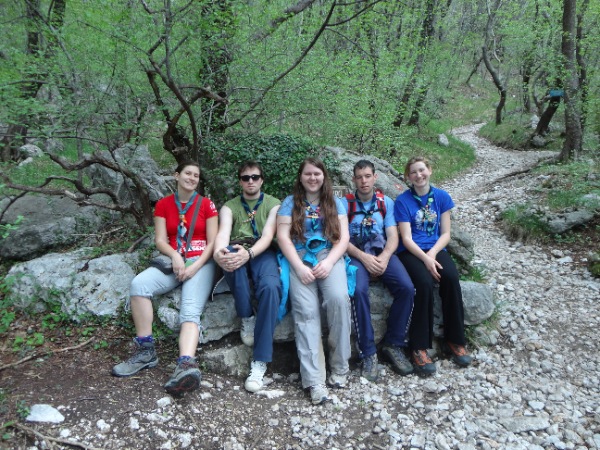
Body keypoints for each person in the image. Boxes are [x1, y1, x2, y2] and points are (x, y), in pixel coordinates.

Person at [112, 161, 219, 396]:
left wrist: (194, 267)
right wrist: (175, 256)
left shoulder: (206, 205)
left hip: (201, 262)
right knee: (139, 285)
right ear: (176, 175)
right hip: (173, 262)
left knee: (189, 310)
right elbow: (160, 240)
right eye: (188, 173)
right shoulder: (163, 205)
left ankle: (186, 364)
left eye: (196, 175)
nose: (192, 178)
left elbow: (213, 242)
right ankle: (145, 351)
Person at [277, 157, 351, 405]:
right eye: (308, 174)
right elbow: (283, 238)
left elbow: (343, 238)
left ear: (323, 176)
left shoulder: (335, 202)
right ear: (301, 177)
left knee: (338, 299)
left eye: (317, 174)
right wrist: (299, 268)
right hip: (299, 256)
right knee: (306, 311)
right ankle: (315, 380)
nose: (312, 178)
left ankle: (340, 367)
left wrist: (329, 262)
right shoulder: (290, 203)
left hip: (328, 254)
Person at [394, 156, 472, 375]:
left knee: (451, 278)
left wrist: (433, 254)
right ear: (408, 177)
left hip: (435, 248)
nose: (418, 175)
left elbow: (445, 233)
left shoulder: (442, 197)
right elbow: (406, 238)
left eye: (422, 170)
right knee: (424, 283)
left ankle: (455, 340)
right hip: (411, 251)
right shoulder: (402, 201)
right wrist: (426, 259)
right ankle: (419, 347)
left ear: (429, 170)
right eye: (413, 172)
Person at [342, 160, 414, 382]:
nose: (364, 181)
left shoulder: (386, 203)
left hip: (382, 253)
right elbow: (341, 239)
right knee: (358, 291)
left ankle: (394, 343)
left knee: (407, 288)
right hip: (356, 255)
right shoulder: (344, 203)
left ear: (375, 177)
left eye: (367, 176)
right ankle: (368, 352)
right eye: (359, 177)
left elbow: (393, 236)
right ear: (353, 180)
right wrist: (364, 258)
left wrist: (383, 258)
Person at [213, 161, 282, 393]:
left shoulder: (273, 204)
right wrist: (219, 252)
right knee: (229, 257)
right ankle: (246, 316)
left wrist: (250, 253)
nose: (250, 181)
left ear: (262, 180)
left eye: (255, 177)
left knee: (271, 286)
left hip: (262, 250)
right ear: (240, 181)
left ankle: (260, 361)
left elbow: (268, 235)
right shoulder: (229, 206)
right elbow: (223, 233)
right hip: (236, 246)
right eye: (245, 178)